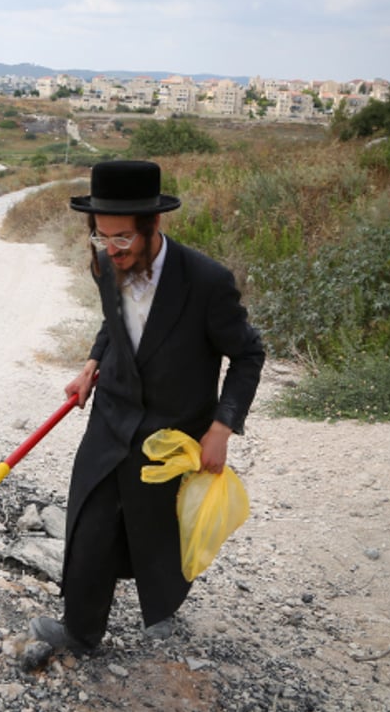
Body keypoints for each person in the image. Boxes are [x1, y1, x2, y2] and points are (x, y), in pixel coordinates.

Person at [30, 159, 264, 652]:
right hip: (112, 416)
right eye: (101, 236)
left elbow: (248, 354)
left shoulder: (205, 282)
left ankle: (162, 613)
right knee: (90, 521)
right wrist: (93, 362)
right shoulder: (103, 262)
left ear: (153, 226)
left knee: (154, 525)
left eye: (122, 239)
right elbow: (112, 322)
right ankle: (81, 632)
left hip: (170, 429)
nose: (111, 250)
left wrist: (222, 428)